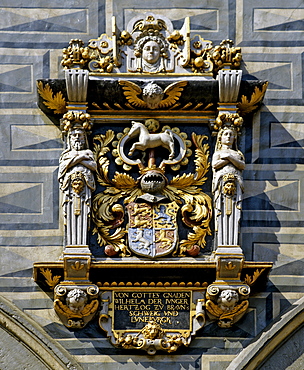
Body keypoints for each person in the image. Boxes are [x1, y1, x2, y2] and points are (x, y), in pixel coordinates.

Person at [58, 127, 97, 246]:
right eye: (74, 135)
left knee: (84, 213)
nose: (77, 138)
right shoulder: (67, 154)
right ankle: (73, 243)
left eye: (80, 135)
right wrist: (81, 158)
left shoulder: (88, 153)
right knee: (70, 213)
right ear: (69, 138)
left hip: (85, 189)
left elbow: (93, 166)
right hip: (69, 190)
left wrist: (74, 161)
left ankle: (80, 242)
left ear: (84, 138)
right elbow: (63, 167)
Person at [212, 125, 245, 246]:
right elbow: (215, 165)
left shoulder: (237, 153)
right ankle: (224, 242)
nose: (229, 137)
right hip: (221, 186)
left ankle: (231, 242)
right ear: (220, 138)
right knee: (221, 212)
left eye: (231, 135)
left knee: (235, 213)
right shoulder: (218, 153)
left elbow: (242, 165)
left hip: (235, 186)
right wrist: (230, 159)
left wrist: (229, 157)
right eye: (226, 134)